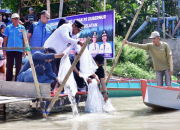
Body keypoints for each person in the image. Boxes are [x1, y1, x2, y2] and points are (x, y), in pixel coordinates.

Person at [3, 13, 26, 81]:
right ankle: (8, 81)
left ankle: (17, 81)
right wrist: (4, 50)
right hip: (9, 50)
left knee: (18, 66)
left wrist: (24, 50)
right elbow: (5, 39)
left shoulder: (22, 28)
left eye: (18, 18)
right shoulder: (8, 27)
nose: (17, 20)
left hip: (19, 50)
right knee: (9, 66)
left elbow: (24, 40)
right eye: (15, 18)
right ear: (12, 19)